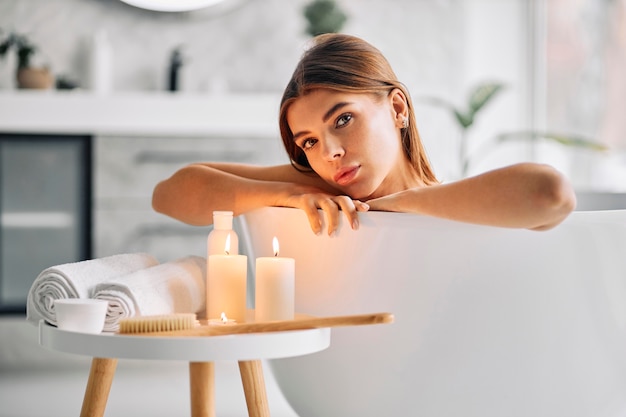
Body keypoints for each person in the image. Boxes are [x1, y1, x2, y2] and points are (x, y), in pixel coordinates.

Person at [152, 33, 576, 235]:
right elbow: (170, 193)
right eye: (309, 142)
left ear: (396, 109)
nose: (330, 152)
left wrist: (400, 205)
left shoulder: (466, 204)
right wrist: (288, 195)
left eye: (342, 119)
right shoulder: (319, 188)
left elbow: (550, 193)